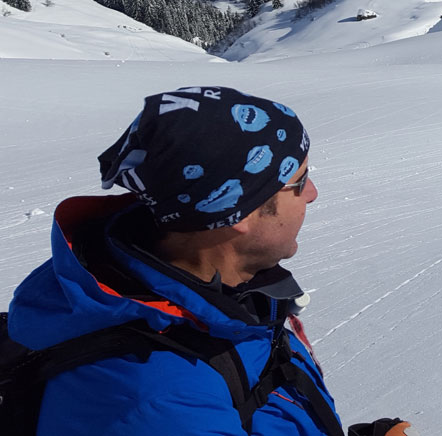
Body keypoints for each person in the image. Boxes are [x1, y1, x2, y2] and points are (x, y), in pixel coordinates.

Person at [4, 86, 411, 436]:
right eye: (299, 181)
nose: (313, 194)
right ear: (239, 214)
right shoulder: (160, 403)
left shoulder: (218, 295)